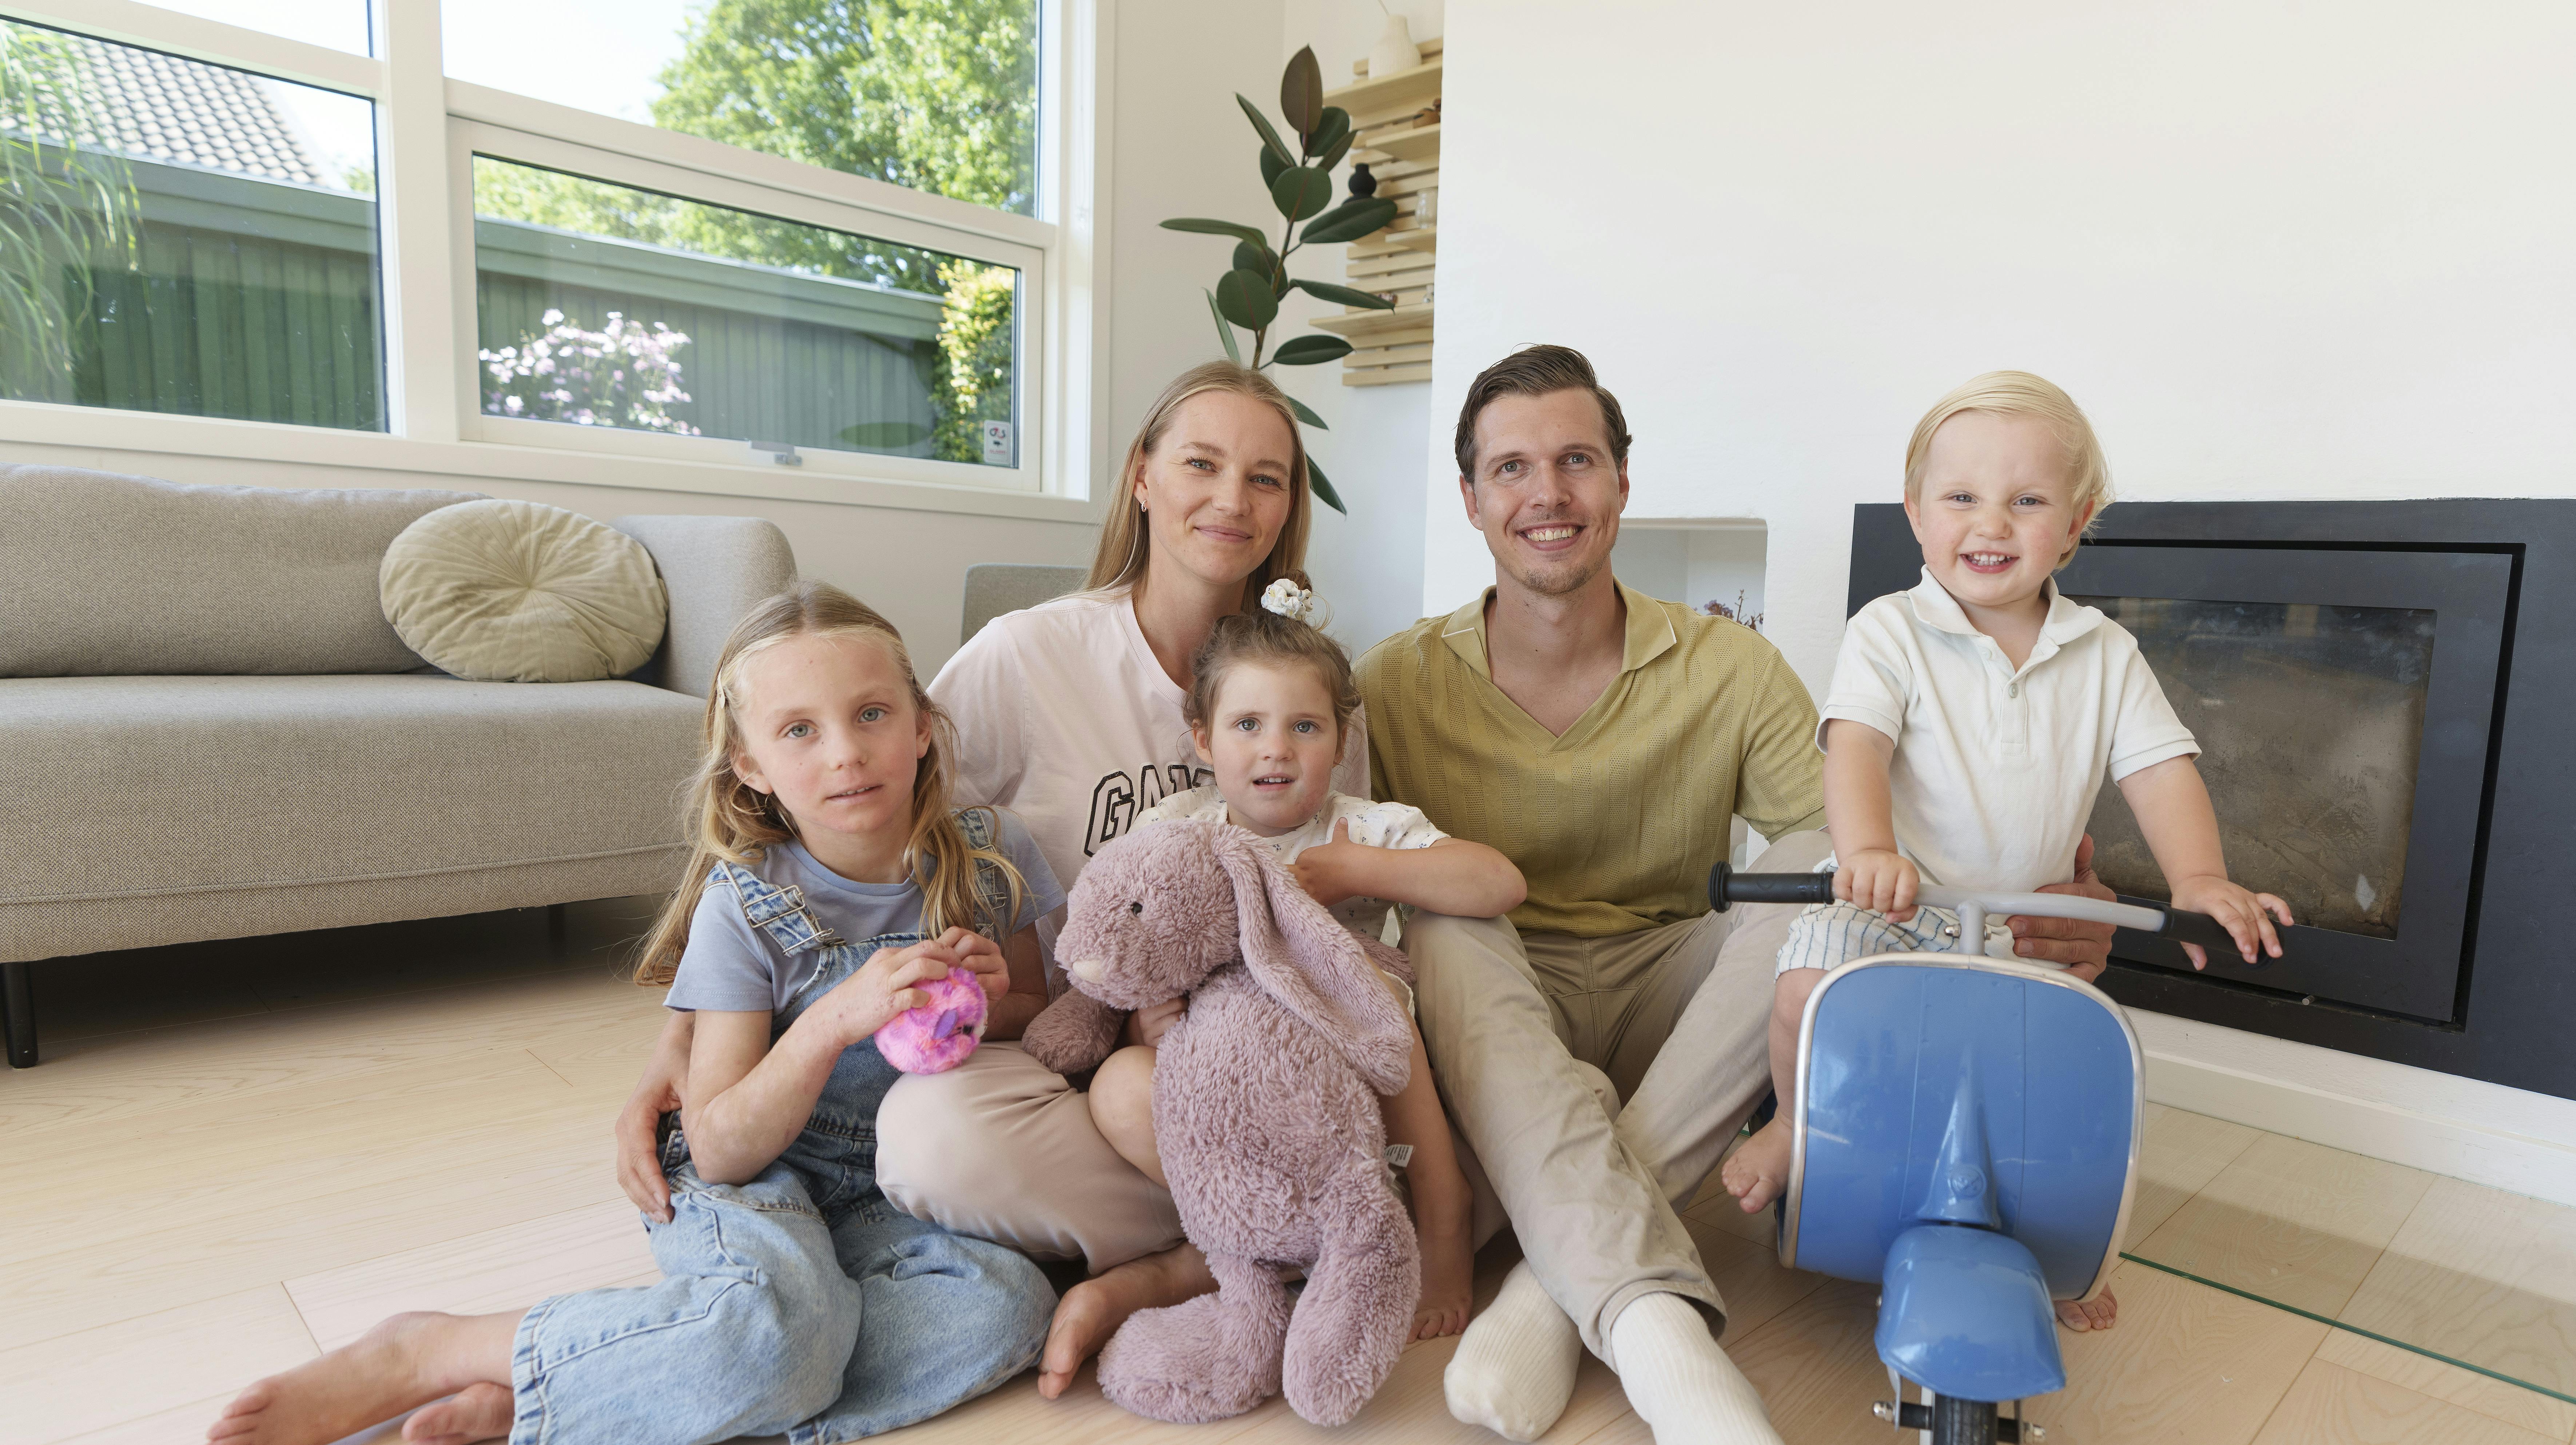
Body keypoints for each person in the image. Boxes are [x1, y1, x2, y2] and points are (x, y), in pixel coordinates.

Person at [1356, 345, 2124, 1445]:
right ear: (1472, 498)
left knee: (1820, 858)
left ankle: (1548, 1291)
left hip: (1679, 1016)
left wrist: (2035, 901)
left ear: (1623, 481)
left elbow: (1872, 853)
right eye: (1513, 468)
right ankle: (1655, 1327)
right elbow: (1311, 861)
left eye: (1578, 460)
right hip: (1494, 1020)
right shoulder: (1391, 682)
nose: (1549, 495)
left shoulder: (1730, 663)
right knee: (1443, 911)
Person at [609, 361, 1370, 1401]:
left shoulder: (1314, 682)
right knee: (937, 1133)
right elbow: (832, 827)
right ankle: (1280, 1240)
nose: (1234, 499)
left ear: (1291, 507)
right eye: (1202, 462)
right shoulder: (1027, 656)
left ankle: (1218, 1255)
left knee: (1010, 1276)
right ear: (1142, 477)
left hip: (1250, 1051)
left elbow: (1351, 871)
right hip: (1081, 1060)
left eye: (1268, 477)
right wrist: (686, 1038)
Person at [207, 584, 1058, 1445]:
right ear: (751, 767)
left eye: (872, 713)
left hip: (896, 1186)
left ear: (921, 726)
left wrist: (996, 1007)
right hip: (761, 1178)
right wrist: (836, 1017)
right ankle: (434, 1348)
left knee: (1010, 1308)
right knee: (792, 1336)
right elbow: (723, 1146)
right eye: (799, 730)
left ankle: (606, 1377)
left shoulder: (992, 857)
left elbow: (1035, 1013)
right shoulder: (747, 905)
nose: (845, 753)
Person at [1719, 372, 2291, 1333]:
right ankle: (1793, 1122)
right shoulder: (1890, 631)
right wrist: (1866, 852)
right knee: (1805, 987)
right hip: (1898, 899)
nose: (1993, 522)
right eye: (1962, 498)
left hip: (2032, 915)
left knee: (2053, 1079)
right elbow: (1856, 743)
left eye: (2028, 500)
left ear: (2076, 522)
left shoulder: (2105, 652)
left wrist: (2198, 878)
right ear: (1916, 513)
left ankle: (2056, 1242)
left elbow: (2161, 771)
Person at [1103, 576, 1525, 1340]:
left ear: (1341, 740)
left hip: (1343, 1066)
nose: (1276, 748)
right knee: (1118, 1088)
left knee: (1378, 1001)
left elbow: (1500, 882)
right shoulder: (1177, 832)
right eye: (1248, 725)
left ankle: (1441, 1208)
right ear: (1202, 738)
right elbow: (1124, 940)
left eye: (1305, 727)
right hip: (1227, 1072)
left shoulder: (1359, 828)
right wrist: (1143, 1021)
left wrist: (1363, 873)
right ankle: (1280, 1236)